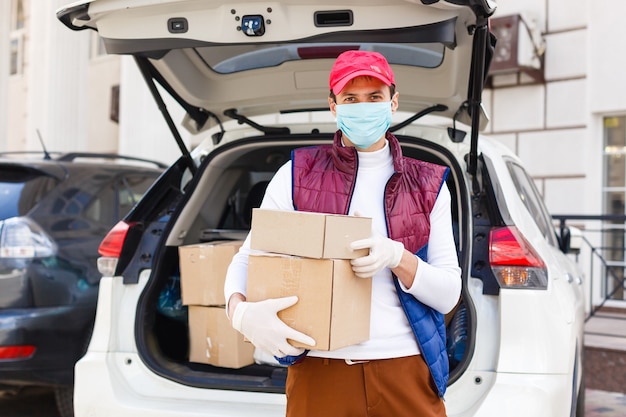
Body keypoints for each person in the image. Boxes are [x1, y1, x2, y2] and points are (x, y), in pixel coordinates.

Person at [224, 49, 462, 417]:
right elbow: (249, 258)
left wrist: (399, 258)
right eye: (351, 99)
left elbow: (448, 295)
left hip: (405, 369)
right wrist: (239, 313)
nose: (363, 107)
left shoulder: (429, 185)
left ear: (393, 102)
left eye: (374, 97)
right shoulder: (296, 175)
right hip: (320, 371)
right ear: (334, 107)